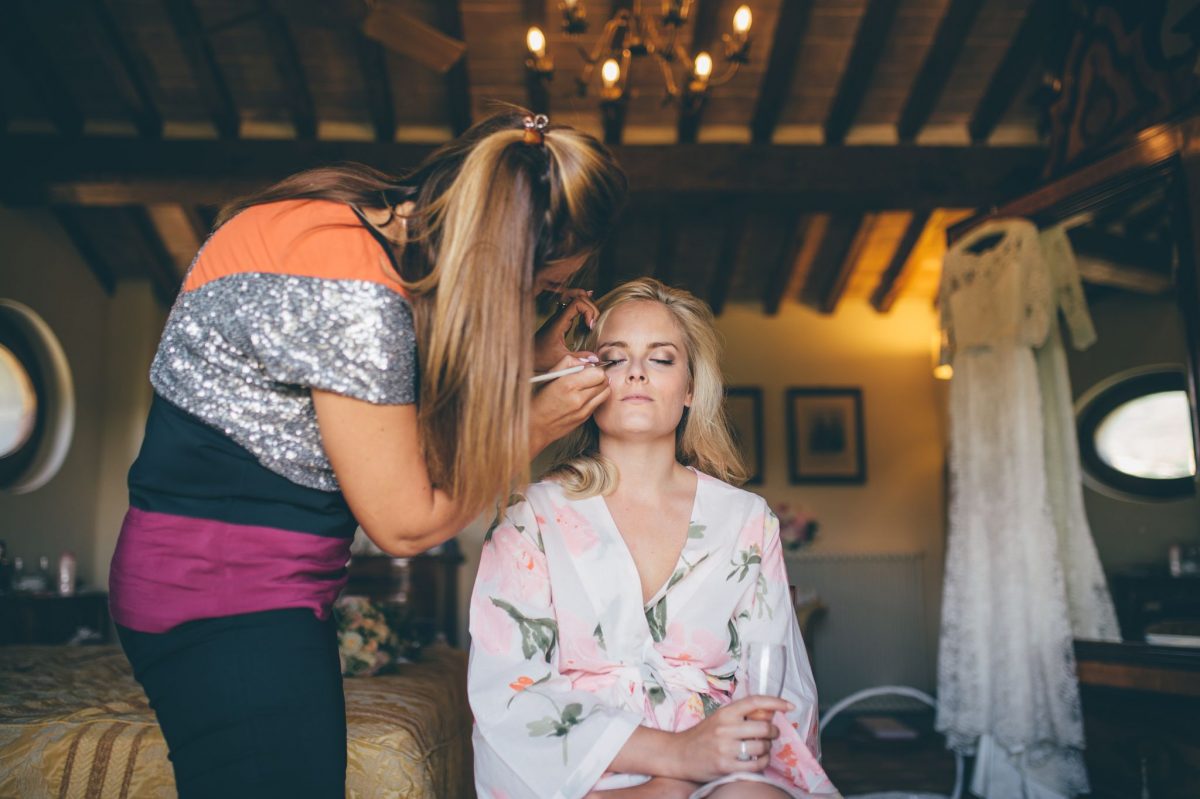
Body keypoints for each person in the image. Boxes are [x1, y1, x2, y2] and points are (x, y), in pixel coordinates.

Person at [108, 109, 626, 798]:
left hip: (215, 584)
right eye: (537, 287)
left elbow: (387, 425)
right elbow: (404, 522)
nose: (533, 300)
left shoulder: (340, 218)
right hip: (223, 595)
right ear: (502, 258)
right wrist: (533, 424)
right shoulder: (356, 296)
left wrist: (532, 359)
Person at [469, 278, 840, 798]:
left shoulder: (746, 520)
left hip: (719, 762)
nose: (638, 371)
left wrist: (709, 761)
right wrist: (668, 764)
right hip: (575, 768)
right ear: (585, 378)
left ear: (690, 388)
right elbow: (507, 692)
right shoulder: (529, 516)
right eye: (615, 358)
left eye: (662, 359)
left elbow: (776, 684)